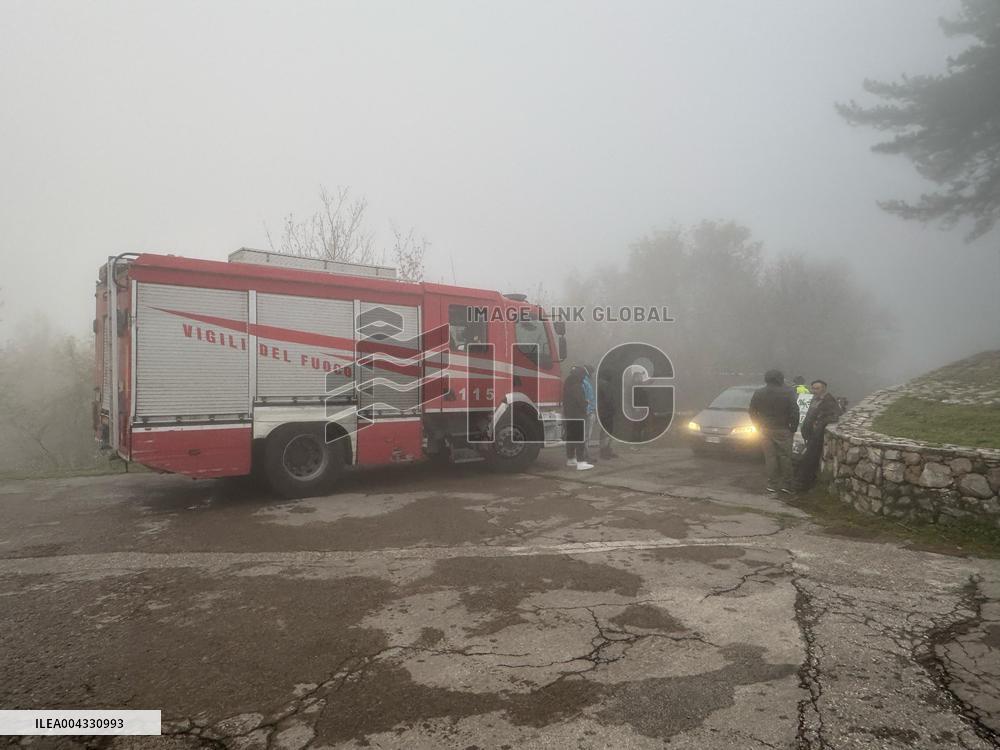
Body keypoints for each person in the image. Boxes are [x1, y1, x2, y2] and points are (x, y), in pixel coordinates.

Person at [748, 369, 800, 494]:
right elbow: (795, 411)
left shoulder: (759, 392)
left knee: (770, 457)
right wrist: (793, 428)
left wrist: (758, 425)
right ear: (780, 378)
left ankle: (772, 484)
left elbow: (751, 411)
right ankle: (786, 485)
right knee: (785, 457)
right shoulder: (789, 392)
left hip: (765, 429)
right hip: (783, 428)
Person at [794, 379, 843, 491]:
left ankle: (803, 485)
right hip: (810, 435)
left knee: (809, 460)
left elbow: (835, 416)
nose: (814, 391)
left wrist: (820, 424)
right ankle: (804, 483)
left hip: (817, 436)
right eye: (813, 388)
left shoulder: (829, 401)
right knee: (807, 459)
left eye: (817, 388)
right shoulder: (814, 400)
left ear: (824, 389)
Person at [562, 366, 593, 471]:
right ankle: (581, 462)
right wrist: (586, 402)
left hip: (569, 414)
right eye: (583, 375)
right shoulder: (577, 385)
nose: (583, 378)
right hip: (577, 415)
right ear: (580, 375)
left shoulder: (568, 383)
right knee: (580, 439)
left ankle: (570, 459)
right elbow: (580, 401)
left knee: (571, 438)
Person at [597, 370, 618, 459]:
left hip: (604, 411)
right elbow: (608, 399)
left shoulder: (600, 384)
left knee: (607, 432)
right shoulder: (605, 385)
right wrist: (614, 408)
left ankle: (606, 450)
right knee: (607, 432)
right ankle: (605, 451)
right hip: (607, 412)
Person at [582, 365, 597, 463]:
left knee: (586, 435)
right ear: (589, 372)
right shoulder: (585, 383)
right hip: (588, 412)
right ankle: (585, 455)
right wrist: (589, 411)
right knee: (586, 435)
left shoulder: (585, 382)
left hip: (588, 411)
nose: (593, 375)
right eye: (592, 372)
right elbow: (585, 399)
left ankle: (584, 454)